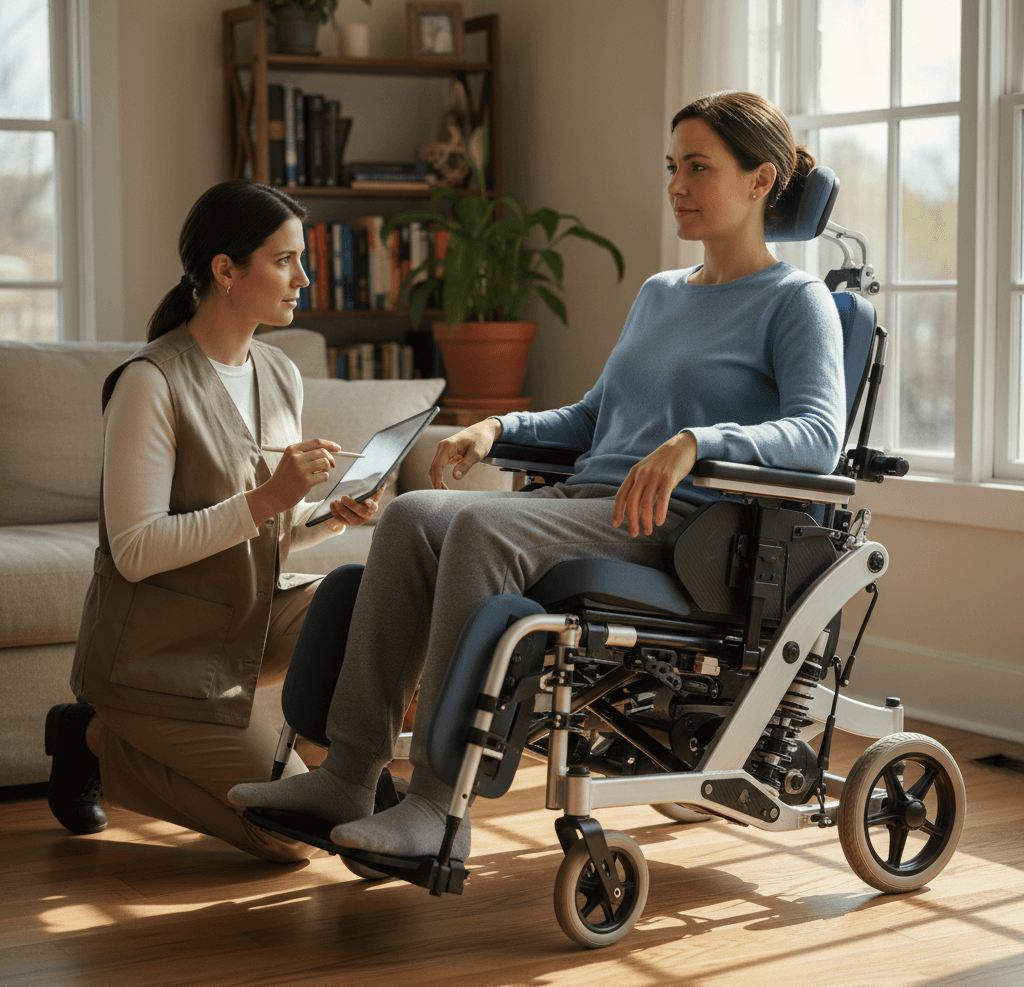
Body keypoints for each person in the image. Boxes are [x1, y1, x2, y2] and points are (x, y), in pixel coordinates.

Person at [228, 91, 845, 864]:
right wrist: (498, 428)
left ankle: (434, 805)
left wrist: (696, 441)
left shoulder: (797, 301)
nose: (676, 185)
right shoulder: (661, 293)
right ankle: (348, 776)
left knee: (482, 526)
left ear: (761, 181)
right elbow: (594, 417)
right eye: (672, 166)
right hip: (590, 503)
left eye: (699, 167)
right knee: (414, 513)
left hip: (683, 532)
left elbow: (820, 437)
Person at [44, 180, 382, 861]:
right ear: (226, 270)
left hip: (239, 620)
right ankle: (92, 740)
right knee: (292, 841)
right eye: (285, 260)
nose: (304, 278)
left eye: (303, 260)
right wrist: (270, 497)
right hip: (156, 655)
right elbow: (135, 550)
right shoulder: (150, 383)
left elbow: (266, 527)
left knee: (370, 605)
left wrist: (324, 514)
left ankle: (330, 774)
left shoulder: (279, 372)